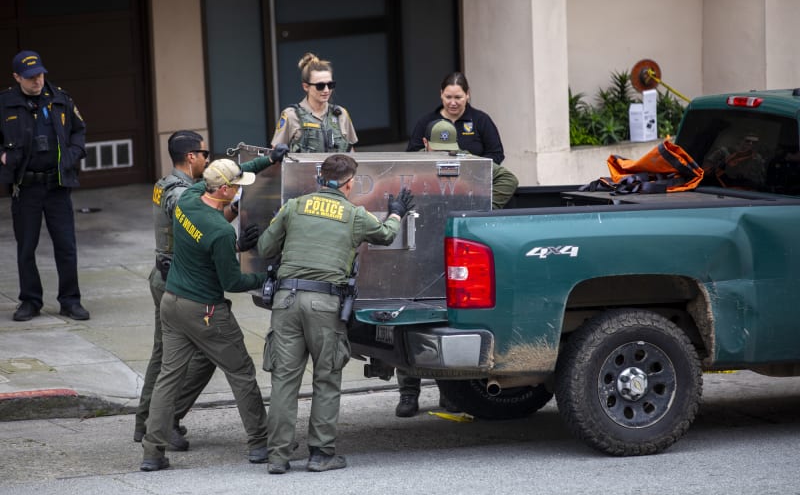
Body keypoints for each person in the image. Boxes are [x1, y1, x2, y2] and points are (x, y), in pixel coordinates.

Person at [257, 154, 414, 473]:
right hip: (324, 304)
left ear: (320, 178)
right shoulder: (354, 214)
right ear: (348, 183)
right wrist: (397, 213)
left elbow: (264, 248)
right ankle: (320, 455)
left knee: (284, 381)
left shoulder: (294, 206)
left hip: (286, 301)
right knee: (326, 379)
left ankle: (277, 456)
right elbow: (385, 235)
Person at [133, 131, 288, 449]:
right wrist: (269, 277)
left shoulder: (190, 197)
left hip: (172, 299)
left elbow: (201, 230)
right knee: (241, 371)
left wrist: (267, 160)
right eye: (236, 187)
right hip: (202, 307)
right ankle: (261, 443)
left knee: (170, 374)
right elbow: (232, 282)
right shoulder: (214, 227)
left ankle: (152, 447)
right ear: (225, 189)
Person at [395, 119, 518, 418]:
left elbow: (508, 180)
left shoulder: (470, 162)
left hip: (451, 247)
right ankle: (409, 392)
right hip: (418, 249)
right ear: (426, 145)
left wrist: (482, 212)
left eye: (450, 150)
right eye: (440, 150)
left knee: (444, 320)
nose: (445, 155)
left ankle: (447, 393)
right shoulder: (412, 165)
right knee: (408, 319)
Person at [0, 50, 89, 322]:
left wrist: (73, 155)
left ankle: (70, 300)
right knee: (26, 246)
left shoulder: (60, 98)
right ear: (17, 77)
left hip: (57, 185)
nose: (37, 80)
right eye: (30, 77)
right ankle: (30, 301)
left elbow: (78, 130)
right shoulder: (5, 103)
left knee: (66, 245)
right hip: (25, 187)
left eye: (39, 74)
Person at [406, 71, 505, 165]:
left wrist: (474, 168)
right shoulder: (426, 122)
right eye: (448, 97)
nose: (453, 103)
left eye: (458, 97)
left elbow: (496, 154)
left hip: (474, 179)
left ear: (467, 94)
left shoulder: (481, 120)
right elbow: (412, 155)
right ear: (441, 94)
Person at [271, 52, 357, 153]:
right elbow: (275, 153)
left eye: (330, 85)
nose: (326, 90)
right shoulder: (291, 115)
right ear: (306, 87)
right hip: (302, 169)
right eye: (320, 86)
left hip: (336, 168)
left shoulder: (341, 114)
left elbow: (351, 151)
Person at [703, 131, 767, 190]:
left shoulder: (757, 159)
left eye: (754, 143)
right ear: (740, 140)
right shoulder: (723, 152)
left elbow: (760, 180)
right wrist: (723, 165)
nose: (750, 144)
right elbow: (705, 170)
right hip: (716, 188)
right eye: (748, 141)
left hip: (742, 192)